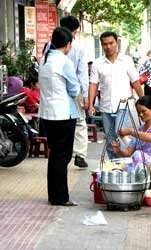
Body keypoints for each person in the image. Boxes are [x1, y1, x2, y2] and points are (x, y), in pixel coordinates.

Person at [39, 27, 80, 206]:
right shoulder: (64, 62)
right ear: (68, 44)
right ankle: (60, 197)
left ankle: (54, 195)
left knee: (55, 155)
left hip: (47, 114)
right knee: (63, 156)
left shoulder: (44, 60)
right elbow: (74, 89)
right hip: (63, 114)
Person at [88, 31, 143, 159]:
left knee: (120, 134)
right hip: (106, 106)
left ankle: (124, 164)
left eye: (111, 43)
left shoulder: (127, 60)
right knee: (110, 138)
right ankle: (114, 165)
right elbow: (93, 85)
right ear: (102, 45)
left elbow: (135, 81)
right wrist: (90, 104)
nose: (108, 47)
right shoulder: (97, 63)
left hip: (124, 105)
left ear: (116, 42)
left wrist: (143, 100)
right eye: (105, 44)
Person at [60, 15, 89, 169]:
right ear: (73, 31)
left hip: (57, 90)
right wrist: (85, 96)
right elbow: (82, 73)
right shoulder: (77, 48)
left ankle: (62, 152)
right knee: (79, 122)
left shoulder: (49, 46)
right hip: (75, 90)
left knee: (60, 121)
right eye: (76, 31)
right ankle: (79, 154)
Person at [112, 96, 151, 169]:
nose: (141, 115)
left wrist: (130, 131)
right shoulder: (140, 130)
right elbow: (128, 152)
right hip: (142, 167)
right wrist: (117, 150)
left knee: (137, 154)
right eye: (139, 112)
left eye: (143, 111)